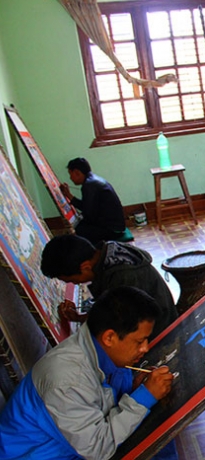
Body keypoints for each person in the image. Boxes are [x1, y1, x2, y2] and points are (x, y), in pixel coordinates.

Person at [0, 286, 176, 459]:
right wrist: (144, 397)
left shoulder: (101, 351)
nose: (145, 348)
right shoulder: (68, 381)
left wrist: (135, 388)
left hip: (70, 447)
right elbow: (97, 450)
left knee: (157, 430)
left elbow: (106, 399)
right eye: (139, 342)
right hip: (37, 454)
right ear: (109, 338)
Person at [41, 234, 178, 339]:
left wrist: (85, 319)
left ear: (85, 267)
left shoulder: (122, 277)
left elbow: (121, 322)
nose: (74, 284)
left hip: (160, 331)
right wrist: (80, 317)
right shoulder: (108, 251)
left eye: (71, 280)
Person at [60, 157, 127, 245]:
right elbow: (87, 207)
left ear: (77, 172)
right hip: (115, 225)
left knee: (79, 231)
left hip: (113, 229)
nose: (70, 178)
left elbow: (88, 213)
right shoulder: (92, 180)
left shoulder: (89, 185)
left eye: (70, 174)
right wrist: (69, 195)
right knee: (81, 225)